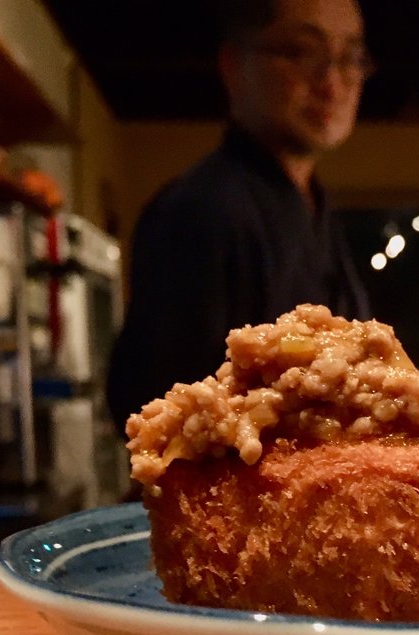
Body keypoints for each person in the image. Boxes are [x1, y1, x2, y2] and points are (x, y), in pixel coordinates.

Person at [106, 0, 372, 436]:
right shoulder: (200, 209)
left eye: (349, 59)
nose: (331, 83)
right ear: (234, 65)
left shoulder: (314, 208)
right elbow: (153, 410)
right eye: (300, 52)